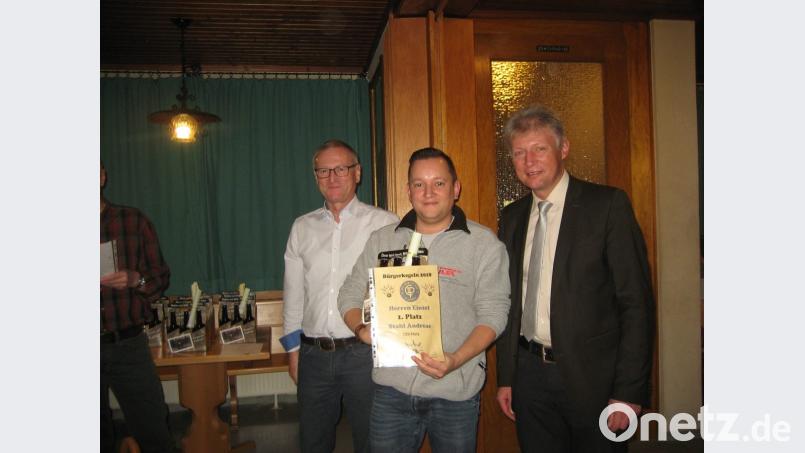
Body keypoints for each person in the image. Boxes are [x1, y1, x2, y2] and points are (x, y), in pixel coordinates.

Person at [495, 104, 655, 452]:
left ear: (563, 148)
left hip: (594, 379)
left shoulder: (607, 206)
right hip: (530, 376)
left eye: (539, 149)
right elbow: (510, 304)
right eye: (519, 153)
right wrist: (507, 377)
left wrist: (628, 392)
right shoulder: (512, 217)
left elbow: (636, 303)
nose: (529, 161)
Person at [338, 148, 511, 453]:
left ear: (455, 188)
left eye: (439, 183)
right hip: (391, 391)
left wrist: (455, 359)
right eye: (419, 184)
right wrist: (362, 330)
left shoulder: (484, 245)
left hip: (455, 390)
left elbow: (494, 315)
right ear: (408, 191)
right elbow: (349, 293)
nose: (428, 192)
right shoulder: (382, 239)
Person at [281, 139, 398, 453]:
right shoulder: (301, 228)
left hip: (365, 354)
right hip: (313, 356)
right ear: (315, 176)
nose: (332, 177)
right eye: (323, 170)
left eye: (341, 169)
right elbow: (294, 296)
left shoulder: (386, 224)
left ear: (357, 173)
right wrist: (293, 354)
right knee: (313, 443)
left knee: (372, 441)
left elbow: (397, 295)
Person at [100, 162, 175, 453]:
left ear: (101, 176)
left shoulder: (132, 220)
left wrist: (137, 279)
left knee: (153, 431)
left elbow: (161, 278)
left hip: (127, 344)